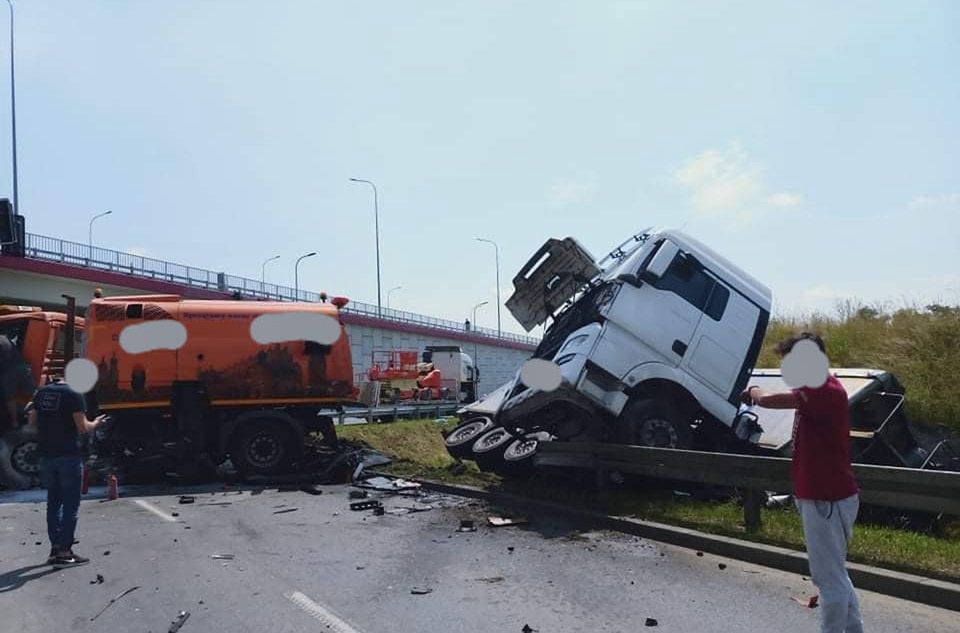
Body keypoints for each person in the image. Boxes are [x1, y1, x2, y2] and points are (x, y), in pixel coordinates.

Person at [741, 332, 862, 633]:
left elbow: (768, 400)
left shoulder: (822, 389)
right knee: (836, 573)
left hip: (826, 497)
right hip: (829, 494)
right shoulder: (823, 386)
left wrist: (752, 390)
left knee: (828, 579)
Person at [26, 378, 106, 568]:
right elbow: (82, 427)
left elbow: (31, 422)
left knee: (53, 502)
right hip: (68, 455)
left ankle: (55, 549)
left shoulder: (42, 394)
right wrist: (96, 423)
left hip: (47, 455)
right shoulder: (73, 394)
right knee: (71, 504)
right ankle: (65, 552)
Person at [0, 334, 35, 433]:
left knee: (9, 397)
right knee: (32, 393)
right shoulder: (5, 338)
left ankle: (14, 422)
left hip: (10, 371)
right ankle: (33, 418)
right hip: (22, 367)